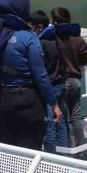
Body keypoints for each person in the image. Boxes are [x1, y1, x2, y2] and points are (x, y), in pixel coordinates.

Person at [0, 0, 61, 150]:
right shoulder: (28, 38)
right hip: (26, 103)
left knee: (6, 150)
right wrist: (53, 104)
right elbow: (41, 76)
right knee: (30, 148)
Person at [30, 10, 68, 154]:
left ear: (39, 26)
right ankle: (65, 155)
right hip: (60, 83)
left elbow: (39, 70)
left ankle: (51, 159)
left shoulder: (40, 42)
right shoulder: (57, 39)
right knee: (62, 122)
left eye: (30, 26)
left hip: (48, 87)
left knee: (49, 124)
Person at [51, 7, 87, 151]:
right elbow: (83, 64)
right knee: (76, 116)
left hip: (60, 81)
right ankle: (82, 148)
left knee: (62, 117)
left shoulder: (53, 39)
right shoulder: (79, 39)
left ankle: (66, 148)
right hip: (75, 81)